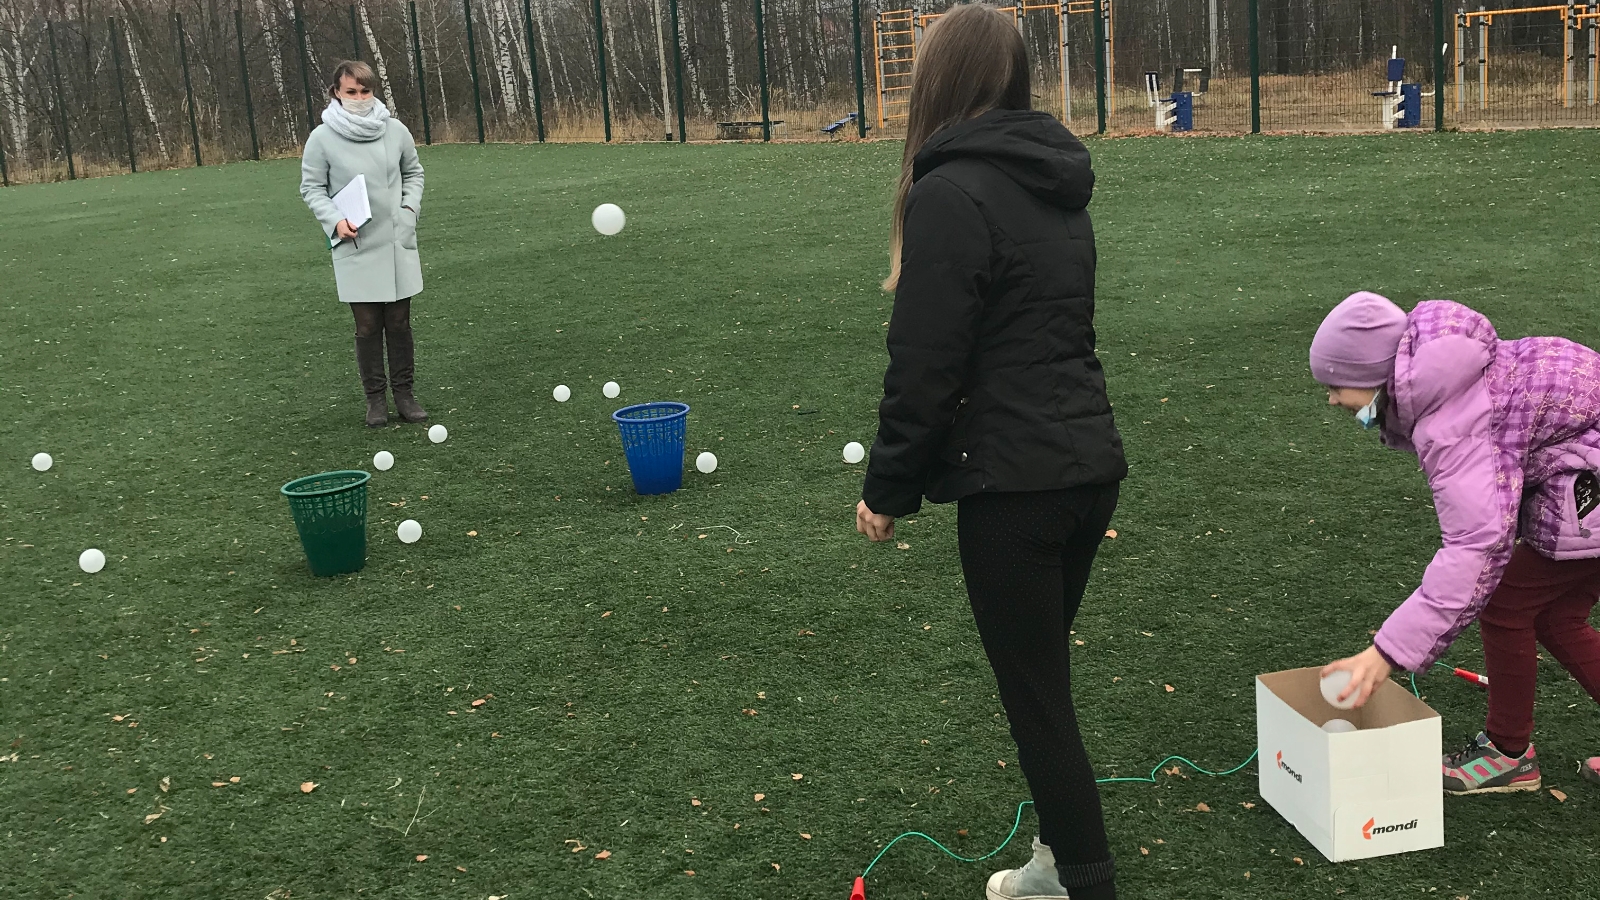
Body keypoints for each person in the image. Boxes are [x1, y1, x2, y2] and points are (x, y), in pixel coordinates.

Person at [853, 6, 1126, 899]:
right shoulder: (1053, 180)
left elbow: (926, 363)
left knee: (1039, 706)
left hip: (1019, 492)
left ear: (939, 80)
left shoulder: (951, 192)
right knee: (1044, 685)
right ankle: (1055, 863)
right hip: (1085, 473)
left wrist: (887, 487)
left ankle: (1083, 882)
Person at [1314, 291, 1600, 794]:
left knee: (1506, 603)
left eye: (1337, 386)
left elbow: (1476, 544)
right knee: (1556, 614)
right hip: (1583, 471)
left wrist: (1386, 653)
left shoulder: (1456, 423)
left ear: (1375, 377)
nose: (1332, 400)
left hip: (1589, 484)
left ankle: (1508, 753)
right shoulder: (1451, 373)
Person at [299, 60, 428, 428]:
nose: (359, 98)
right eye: (351, 92)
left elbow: (413, 173)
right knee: (368, 325)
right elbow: (312, 187)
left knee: (399, 321)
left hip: (396, 239)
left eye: (365, 91)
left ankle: (404, 395)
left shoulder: (395, 130)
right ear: (336, 93)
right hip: (355, 241)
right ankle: (375, 399)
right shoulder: (322, 138)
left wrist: (408, 209)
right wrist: (335, 221)